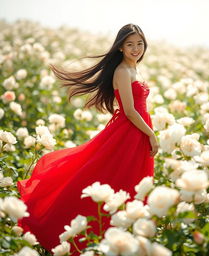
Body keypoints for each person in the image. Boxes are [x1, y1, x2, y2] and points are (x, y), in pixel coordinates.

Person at [17, 23, 159, 255]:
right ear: (121, 48)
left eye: (139, 44)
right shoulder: (122, 71)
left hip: (135, 132)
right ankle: (68, 228)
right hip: (128, 132)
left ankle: (122, 238)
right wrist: (151, 134)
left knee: (129, 182)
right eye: (130, 44)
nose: (135, 48)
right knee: (106, 178)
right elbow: (131, 111)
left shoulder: (134, 69)